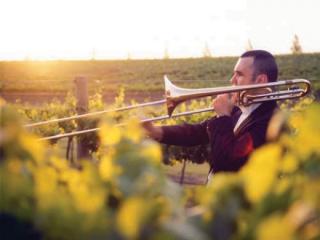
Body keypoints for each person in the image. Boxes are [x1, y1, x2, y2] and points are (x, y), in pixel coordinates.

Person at [143, 50, 279, 180]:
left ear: (261, 80)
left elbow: (227, 165)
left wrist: (223, 117)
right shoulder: (240, 109)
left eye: (239, 74)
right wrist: (157, 131)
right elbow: (199, 132)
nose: (232, 80)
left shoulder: (271, 123)